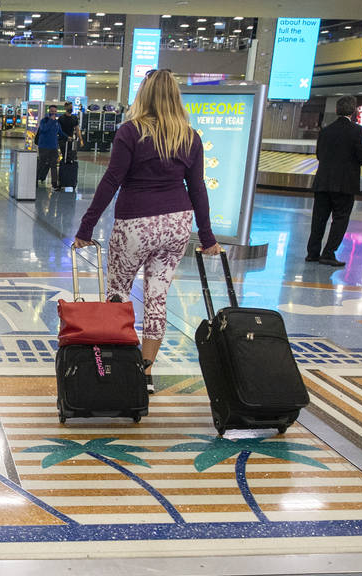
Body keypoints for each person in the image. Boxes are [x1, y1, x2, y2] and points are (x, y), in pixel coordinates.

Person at [72, 70, 220, 395]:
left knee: (118, 292)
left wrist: (86, 226)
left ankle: (116, 367)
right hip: (176, 224)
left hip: (136, 223)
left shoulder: (131, 132)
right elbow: (198, 189)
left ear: (144, 94)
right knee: (157, 296)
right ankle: (146, 372)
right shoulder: (190, 137)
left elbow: (111, 180)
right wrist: (207, 237)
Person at [307, 95, 362, 267]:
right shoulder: (356, 131)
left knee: (319, 218)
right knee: (340, 219)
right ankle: (328, 253)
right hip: (344, 184)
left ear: (337, 110)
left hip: (323, 182)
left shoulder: (326, 130)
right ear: (353, 111)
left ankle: (312, 253)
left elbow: (319, 154)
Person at [35, 104, 65, 189]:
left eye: (55, 112)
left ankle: (54, 184)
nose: (54, 113)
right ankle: (35, 180)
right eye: (52, 111)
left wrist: (68, 137)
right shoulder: (44, 121)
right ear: (49, 111)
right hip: (43, 147)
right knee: (41, 164)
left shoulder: (57, 122)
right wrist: (51, 121)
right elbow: (44, 129)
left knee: (54, 165)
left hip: (53, 147)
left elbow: (60, 133)